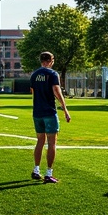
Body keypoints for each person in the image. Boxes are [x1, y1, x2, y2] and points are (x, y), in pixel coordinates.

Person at [30, 51, 69, 183]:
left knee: (40, 141)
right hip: (49, 112)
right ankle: (48, 173)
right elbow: (56, 91)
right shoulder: (53, 74)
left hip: (37, 112)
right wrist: (65, 109)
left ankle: (36, 170)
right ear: (51, 61)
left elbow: (33, 92)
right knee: (52, 142)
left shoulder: (34, 75)